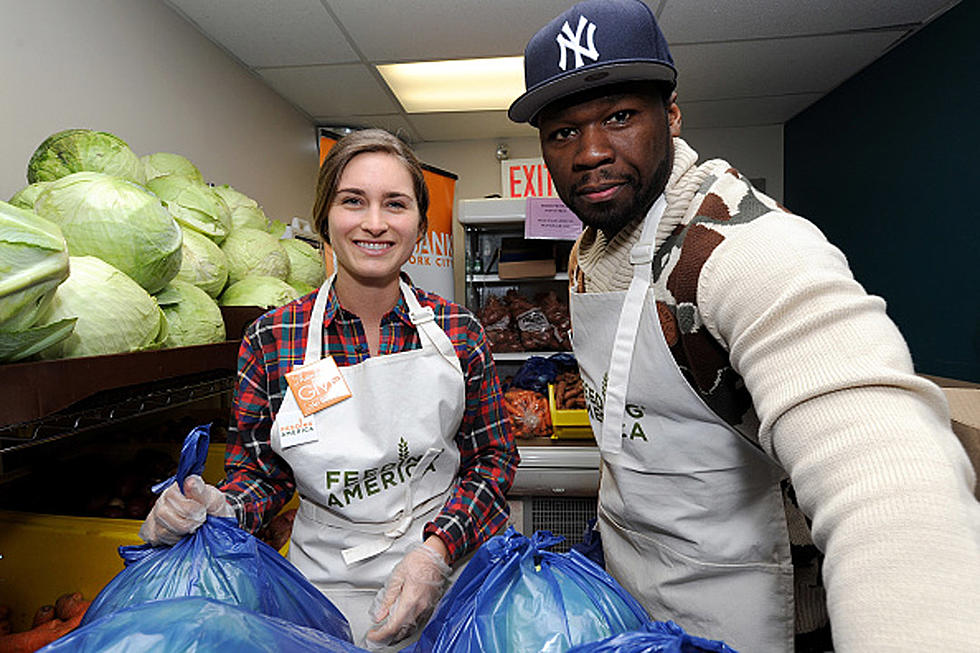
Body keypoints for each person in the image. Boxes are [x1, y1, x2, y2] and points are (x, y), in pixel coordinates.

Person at [508, 1, 980, 651]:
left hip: (749, 617)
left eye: (619, 116)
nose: (590, 151)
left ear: (671, 116)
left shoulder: (747, 250)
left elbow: (890, 483)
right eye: (562, 131)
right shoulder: (586, 255)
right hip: (636, 602)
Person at [139, 128, 519, 649]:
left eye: (396, 204)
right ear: (324, 219)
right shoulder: (273, 339)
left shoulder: (459, 332)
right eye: (353, 201)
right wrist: (217, 506)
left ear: (420, 225)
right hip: (321, 591)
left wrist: (436, 552)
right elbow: (262, 475)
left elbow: (492, 462)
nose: (375, 223)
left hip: (447, 578)